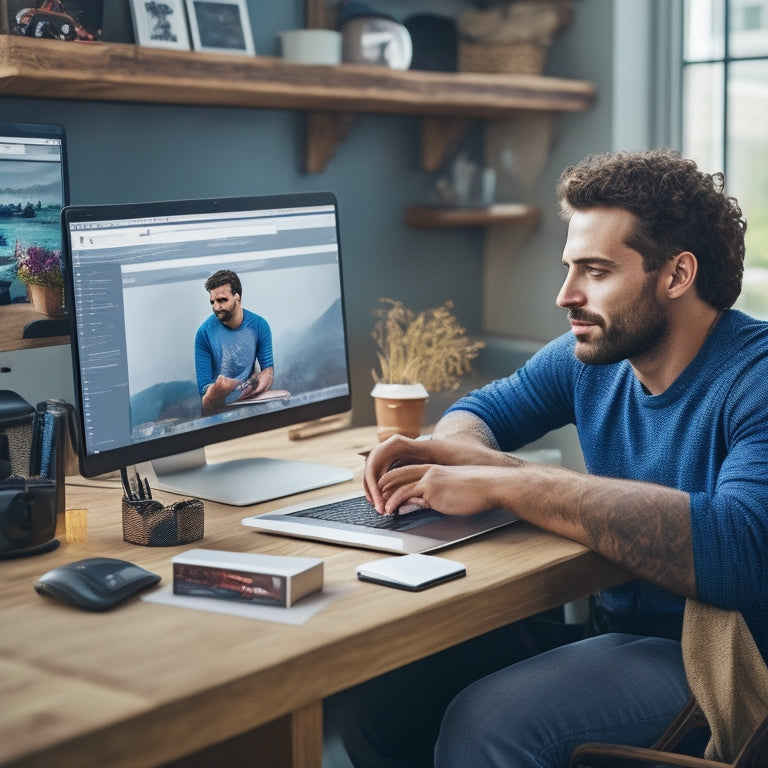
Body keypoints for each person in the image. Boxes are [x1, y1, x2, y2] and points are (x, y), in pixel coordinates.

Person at [333, 148, 768, 768]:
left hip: (723, 666)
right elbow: (482, 412)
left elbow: (741, 550)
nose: (566, 295)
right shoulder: (593, 357)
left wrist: (505, 483)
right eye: (569, 268)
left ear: (675, 276)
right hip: (612, 631)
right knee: (385, 694)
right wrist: (447, 451)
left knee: (491, 725)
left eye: (595, 270)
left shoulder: (756, 377)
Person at [194, 269, 274, 412]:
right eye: (212, 302)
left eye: (222, 300)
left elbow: (268, 372)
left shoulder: (260, 325)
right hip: (218, 410)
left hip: (250, 404)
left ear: (237, 297)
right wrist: (219, 390)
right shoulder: (203, 333)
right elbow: (204, 389)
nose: (216, 307)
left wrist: (247, 388)